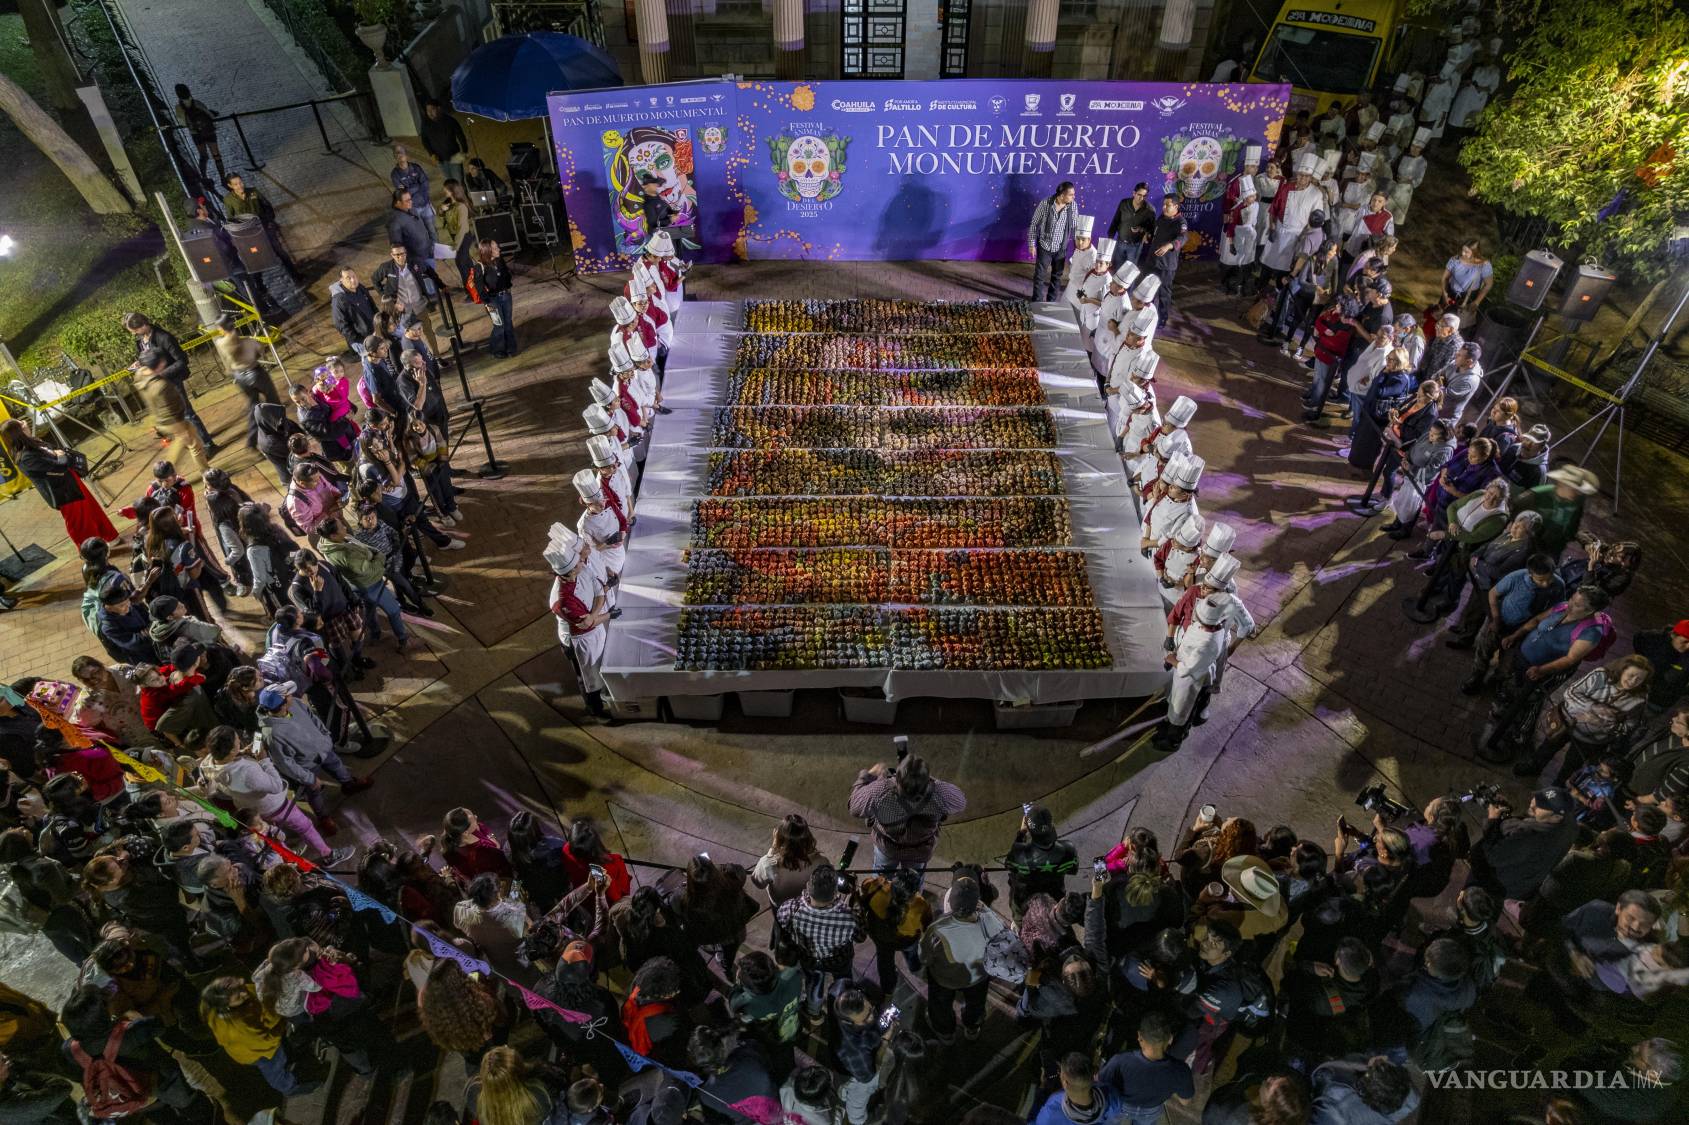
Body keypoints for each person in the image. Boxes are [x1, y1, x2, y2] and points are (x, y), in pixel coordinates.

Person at [0, 420, 117, 547]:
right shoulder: (26, 458)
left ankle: (109, 537)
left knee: (92, 510)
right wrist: (60, 456)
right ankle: (91, 551)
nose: (26, 423)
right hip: (64, 492)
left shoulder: (33, 442)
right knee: (80, 523)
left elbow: (57, 453)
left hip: (70, 481)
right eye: (22, 425)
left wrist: (58, 455)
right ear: (19, 433)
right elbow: (59, 467)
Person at [848, 752, 967, 872]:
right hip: (920, 851)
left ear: (898, 779)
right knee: (913, 879)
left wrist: (867, 776)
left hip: (887, 848)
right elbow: (961, 802)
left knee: (881, 876)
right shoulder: (940, 793)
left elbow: (854, 807)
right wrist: (928, 780)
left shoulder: (880, 790)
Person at [920, 875, 1003, 1042]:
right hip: (977, 978)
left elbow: (924, 957)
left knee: (940, 1006)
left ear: (951, 902)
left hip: (944, 979)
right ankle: (972, 1027)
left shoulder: (937, 929)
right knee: (976, 1004)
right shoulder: (991, 923)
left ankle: (945, 1033)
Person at [124, 312, 217, 456]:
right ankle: (195, 439)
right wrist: (141, 363)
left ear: (143, 325)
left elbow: (182, 361)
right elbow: (150, 358)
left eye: (135, 330)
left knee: (187, 414)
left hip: (172, 381)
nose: (134, 333)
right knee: (175, 417)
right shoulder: (141, 340)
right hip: (159, 384)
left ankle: (208, 444)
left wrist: (159, 374)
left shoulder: (164, 337)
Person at [546, 523, 610, 719]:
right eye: (578, 562)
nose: (583, 561)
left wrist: (594, 613)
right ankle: (595, 709)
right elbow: (585, 625)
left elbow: (599, 591)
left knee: (597, 670)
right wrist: (606, 615)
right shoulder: (561, 601)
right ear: (570, 571)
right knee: (587, 676)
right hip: (577, 641)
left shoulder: (581, 570)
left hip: (592, 629)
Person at [1097, 1010, 1193, 1124]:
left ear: (1139, 1037)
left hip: (1121, 1106)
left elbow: (1101, 1082)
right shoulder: (1181, 1070)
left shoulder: (1120, 1060)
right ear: (1170, 1039)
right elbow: (1185, 1101)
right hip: (1150, 1111)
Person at [1032, 1051, 1122, 1125]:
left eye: (1060, 1072)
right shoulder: (1111, 1094)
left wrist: (1041, 1089)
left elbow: (1033, 1122)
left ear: (1065, 1083)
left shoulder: (1051, 1111)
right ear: (1094, 1074)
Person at [1027, 181, 1078, 301]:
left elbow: (1075, 227)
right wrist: (1032, 244)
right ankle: (1037, 301)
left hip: (1060, 248)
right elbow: (1034, 224)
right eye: (1071, 195)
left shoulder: (1073, 206)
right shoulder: (1045, 203)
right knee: (1039, 276)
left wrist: (1078, 247)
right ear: (1062, 195)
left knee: (1056, 277)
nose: (1074, 197)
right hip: (1044, 246)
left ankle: (1051, 301)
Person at [473, 238, 519, 358]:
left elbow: (506, 275)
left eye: (497, 247)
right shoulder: (479, 267)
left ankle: (511, 347)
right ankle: (497, 350)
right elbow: (479, 287)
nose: (499, 249)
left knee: (508, 322)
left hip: (506, 296)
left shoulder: (499, 260)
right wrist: (487, 302)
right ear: (488, 251)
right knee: (499, 325)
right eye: (495, 248)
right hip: (492, 300)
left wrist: (507, 288)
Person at [1145, 195, 1187, 321]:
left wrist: (1169, 246)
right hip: (1153, 261)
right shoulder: (1161, 218)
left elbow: (1183, 238)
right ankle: (1147, 315)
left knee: (1164, 293)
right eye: (1163, 205)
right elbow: (1155, 232)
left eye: (1167, 205)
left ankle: (1162, 318)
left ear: (1176, 206)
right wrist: (1147, 235)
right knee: (1149, 291)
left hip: (1167, 265)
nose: (1164, 207)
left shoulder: (1181, 222)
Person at [173, 83, 223, 180]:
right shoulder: (197, 103)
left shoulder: (179, 108)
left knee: (203, 156)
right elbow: (209, 114)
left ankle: (204, 177)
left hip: (196, 134)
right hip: (208, 131)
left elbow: (183, 123)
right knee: (216, 155)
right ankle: (222, 177)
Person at [391, 143, 437, 244]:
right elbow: (402, 193)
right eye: (396, 153)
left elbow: (425, 184)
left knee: (432, 230)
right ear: (394, 157)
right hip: (413, 209)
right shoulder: (395, 174)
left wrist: (410, 190)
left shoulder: (416, 168)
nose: (399, 155)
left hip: (425, 205)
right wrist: (416, 186)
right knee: (420, 233)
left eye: (401, 152)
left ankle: (437, 249)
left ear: (406, 154)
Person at [1105, 181, 1156, 269]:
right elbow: (1116, 220)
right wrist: (1110, 237)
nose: (1142, 198)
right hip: (1120, 243)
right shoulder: (1124, 203)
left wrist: (1142, 230)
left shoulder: (1150, 210)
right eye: (1139, 195)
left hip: (1135, 246)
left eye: (1144, 196)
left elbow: (1152, 229)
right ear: (1134, 193)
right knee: (1118, 269)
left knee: (1130, 271)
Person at [418, 99, 469, 184]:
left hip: (454, 157)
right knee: (449, 182)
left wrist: (464, 151)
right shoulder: (425, 124)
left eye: (432, 109)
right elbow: (424, 140)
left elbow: (461, 136)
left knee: (458, 181)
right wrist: (431, 153)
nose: (430, 113)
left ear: (439, 108)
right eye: (428, 110)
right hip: (440, 160)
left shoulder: (451, 121)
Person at [1443, 239, 1494, 315]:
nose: (1463, 253)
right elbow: (1445, 278)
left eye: (1466, 252)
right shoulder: (1455, 260)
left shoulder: (1484, 265)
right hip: (1450, 294)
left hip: (1468, 299)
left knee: (1461, 321)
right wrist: (1445, 294)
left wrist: (1477, 302)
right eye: (1463, 250)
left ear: (1475, 252)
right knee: (1441, 318)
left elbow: (1488, 284)